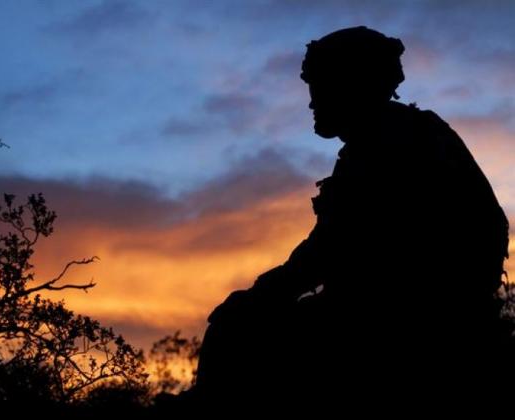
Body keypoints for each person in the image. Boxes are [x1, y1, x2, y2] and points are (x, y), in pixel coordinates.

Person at [190, 26, 511, 410]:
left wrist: (261, 295)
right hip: (410, 315)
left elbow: (329, 249)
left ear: (350, 86)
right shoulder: (399, 135)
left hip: (396, 326)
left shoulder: (388, 142)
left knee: (234, 327)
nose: (312, 103)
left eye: (320, 88)